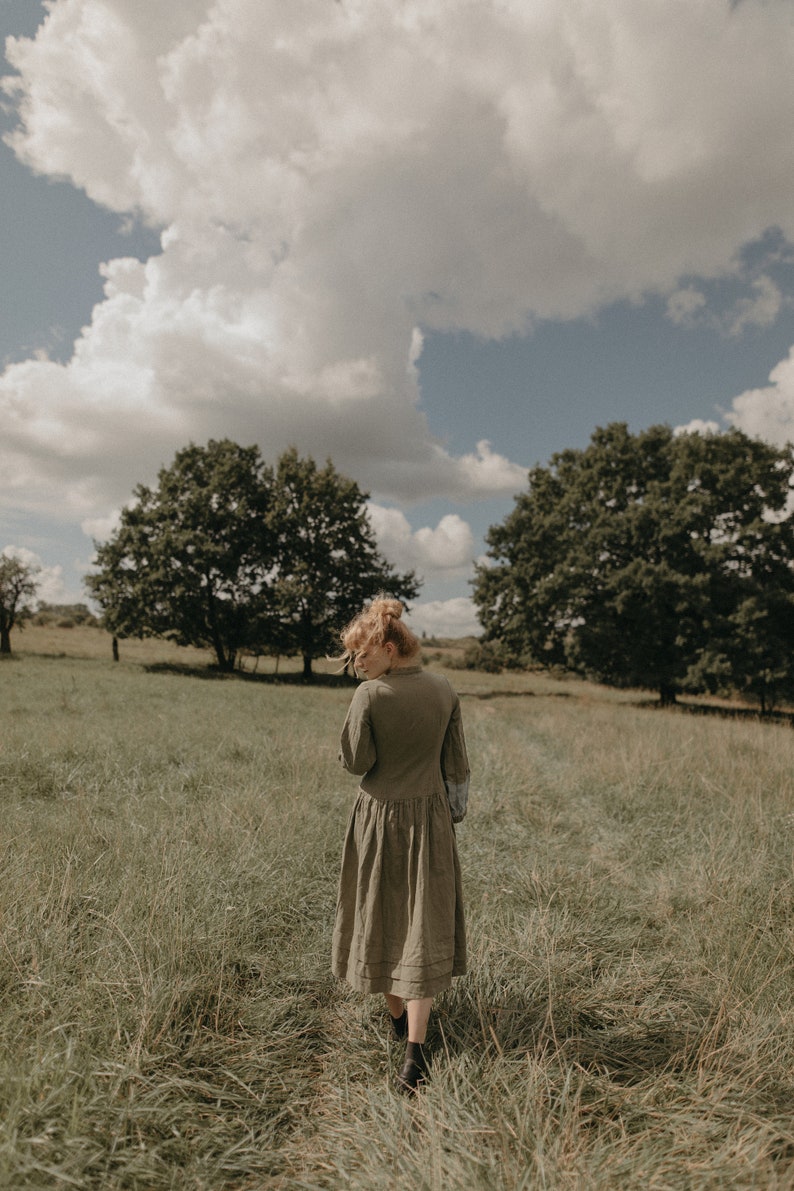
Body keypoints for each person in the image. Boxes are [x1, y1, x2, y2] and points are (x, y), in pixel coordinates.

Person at [331, 596, 470, 1093]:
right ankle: (414, 1053)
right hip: (430, 819)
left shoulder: (370, 695)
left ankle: (398, 1031)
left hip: (379, 819)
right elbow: (457, 769)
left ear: (389, 649)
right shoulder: (445, 690)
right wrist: (447, 817)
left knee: (383, 918)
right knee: (421, 923)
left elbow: (356, 761)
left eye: (361, 656)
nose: (356, 665)